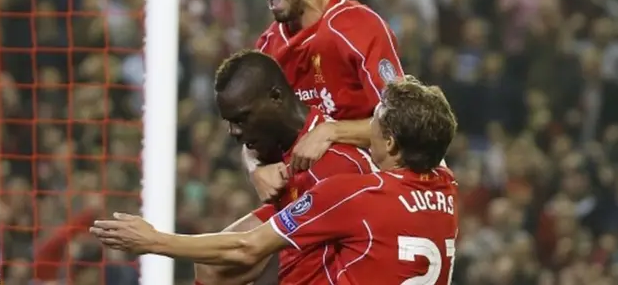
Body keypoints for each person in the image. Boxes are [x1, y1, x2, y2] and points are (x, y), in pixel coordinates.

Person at [91, 76, 459, 285]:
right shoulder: (448, 187)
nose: (368, 128)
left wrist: (154, 240)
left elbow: (246, 248)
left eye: (375, 120)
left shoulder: (354, 194)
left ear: (392, 141)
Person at [178, 50, 380, 284]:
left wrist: (153, 241)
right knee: (212, 266)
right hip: (301, 228)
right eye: (229, 122)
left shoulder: (335, 163)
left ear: (276, 97)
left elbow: (252, 251)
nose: (234, 132)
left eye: (242, 119)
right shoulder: (279, 143)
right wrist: (254, 169)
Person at [243, 0, 405, 201]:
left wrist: (332, 131)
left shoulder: (357, 26)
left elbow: (403, 121)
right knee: (236, 240)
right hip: (308, 201)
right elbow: (253, 133)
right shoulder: (267, 48)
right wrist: (257, 168)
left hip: (375, 195)